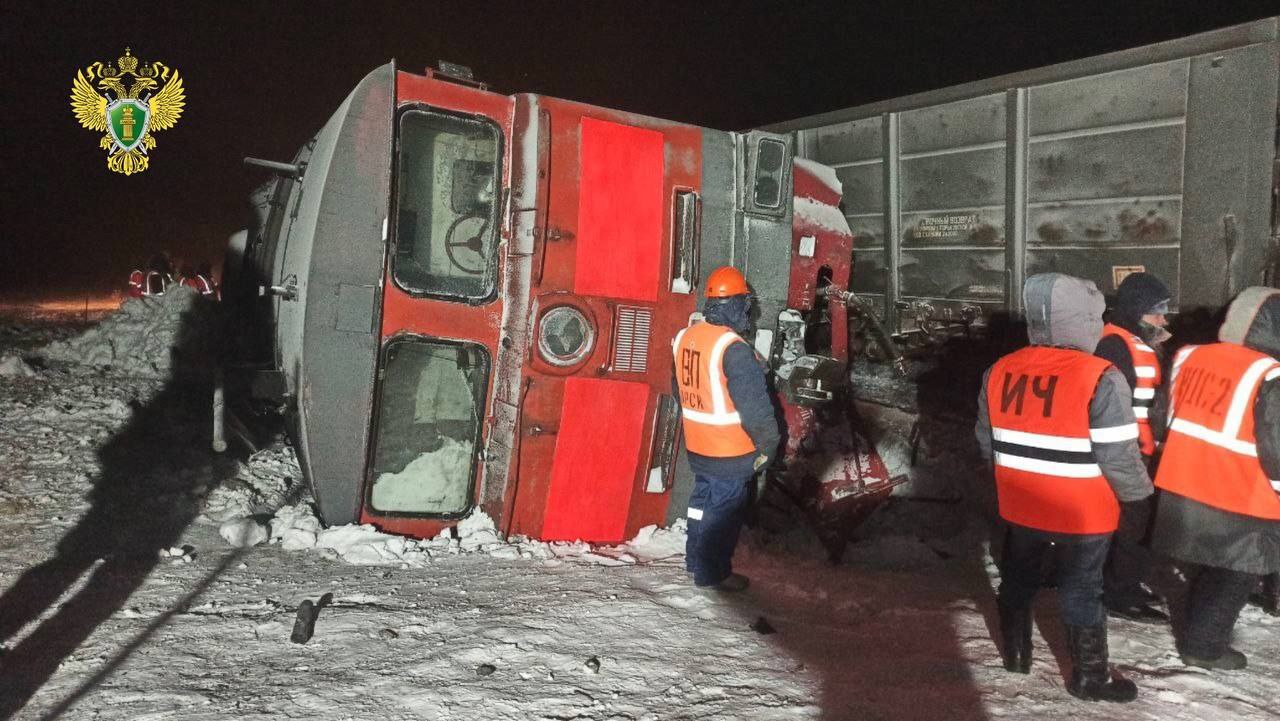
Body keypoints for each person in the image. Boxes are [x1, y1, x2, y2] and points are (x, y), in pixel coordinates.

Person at [976, 272, 1152, 702]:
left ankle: (1016, 656)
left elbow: (987, 441)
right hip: (1082, 510)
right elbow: (1118, 456)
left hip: (1022, 504)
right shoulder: (1101, 376)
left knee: (1017, 577)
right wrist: (1139, 499)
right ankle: (1091, 678)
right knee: (1082, 587)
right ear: (1084, 321)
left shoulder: (1000, 369)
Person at [1149, 286, 1280, 670]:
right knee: (1239, 571)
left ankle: (1198, 633)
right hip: (1241, 491)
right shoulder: (1270, 373)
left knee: (1212, 565)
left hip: (1184, 483)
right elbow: (1275, 446)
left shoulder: (1190, 355)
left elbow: (1161, 419)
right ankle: (1202, 647)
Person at [673, 266, 780, 593]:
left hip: (698, 446)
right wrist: (769, 445)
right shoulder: (733, 348)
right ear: (735, 305)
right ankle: (712, 574)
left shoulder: (686, 336)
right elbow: (754, 407)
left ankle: (694, 561)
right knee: (723, 514)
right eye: (744, 304)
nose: (746, 311)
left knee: (700, 504)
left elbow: (678, 390)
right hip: (729, 452)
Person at [1094, 272, 1172, 622]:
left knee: (1134, 522)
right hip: (1126, 449)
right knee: (1133, 523)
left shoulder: (1132, 340)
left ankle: (1123, 582)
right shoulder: (1115, 345)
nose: (1164, 320)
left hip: (1140, 446)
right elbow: (1110, 404)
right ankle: (1120, 594)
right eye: (1157, 312)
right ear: (1137, 310)